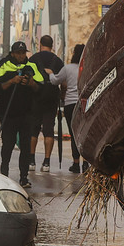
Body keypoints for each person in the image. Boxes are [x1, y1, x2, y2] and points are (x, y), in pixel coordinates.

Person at [0, 41, 44, 188]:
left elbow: (42, 87)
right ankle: (4, 173)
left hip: (27, 113)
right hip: (9, 113)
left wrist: (31, 83)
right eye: (18, 53)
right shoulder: (4, 64)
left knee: (26, 147)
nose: (21, 56)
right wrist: (12, 81)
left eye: (23, 53)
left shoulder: (31, 66)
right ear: (13, 53)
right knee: (7, 145)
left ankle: (24, 177)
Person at [28, 35, 64, 172]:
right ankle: (47, 162)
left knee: (34, 129)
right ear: (52, 45)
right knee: (49, 129)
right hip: (52, 98)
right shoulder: (58, 61)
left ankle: (31, 160)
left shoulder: (33, 59)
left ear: (40, 44)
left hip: (35, 98)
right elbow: (63, 82)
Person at [51, 43, 85, 173]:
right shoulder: (87, 67)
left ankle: (76, 164)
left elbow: (55, 80)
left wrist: (49, 74)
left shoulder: (68, 68)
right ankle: (86, 163)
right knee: (83, 133)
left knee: (73, 134)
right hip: (84, 103)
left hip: (70, 104)